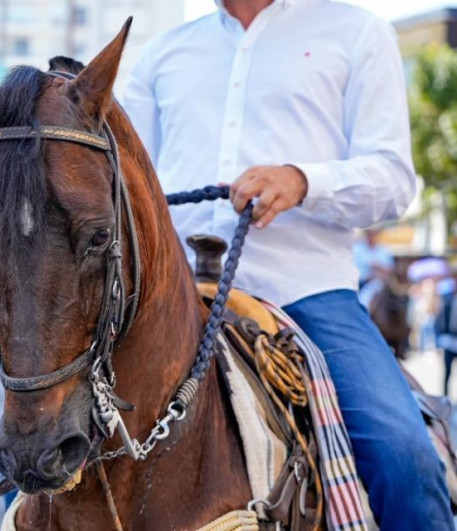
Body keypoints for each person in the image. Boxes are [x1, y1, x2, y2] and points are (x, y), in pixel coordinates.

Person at [124, 1, 452, 528]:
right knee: (41, 471)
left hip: (307, 293)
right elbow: (125, 184)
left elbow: (393, 182)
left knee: (403, 456)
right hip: (169, 298)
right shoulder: (162, 54)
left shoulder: (358, 33)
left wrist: (303, 181)